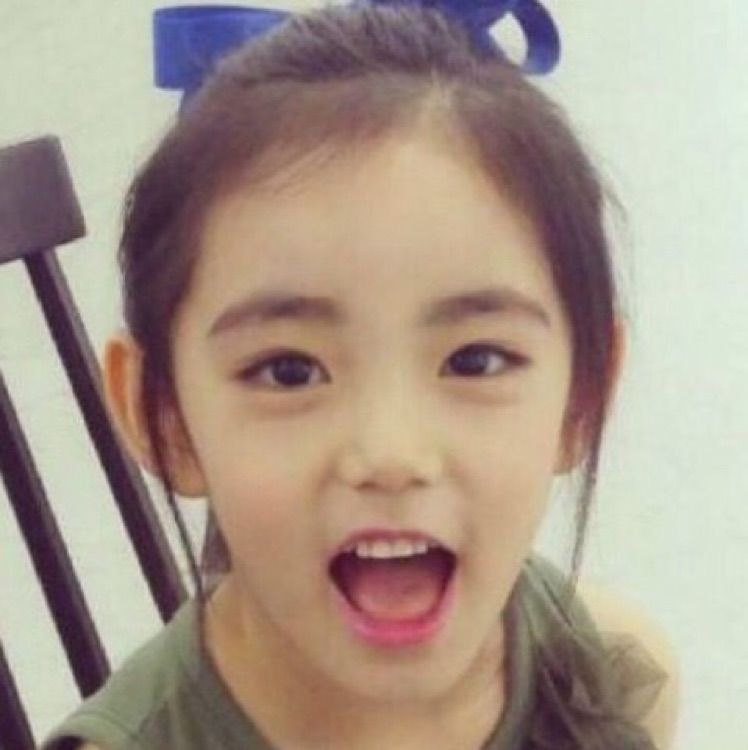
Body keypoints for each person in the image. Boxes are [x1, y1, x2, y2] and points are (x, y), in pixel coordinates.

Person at [42, 3, 679, 748]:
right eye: (289, 371)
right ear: (164, 415)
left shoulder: (611, 678)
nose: (391, 454)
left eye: (474, 360)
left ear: (582, 397)